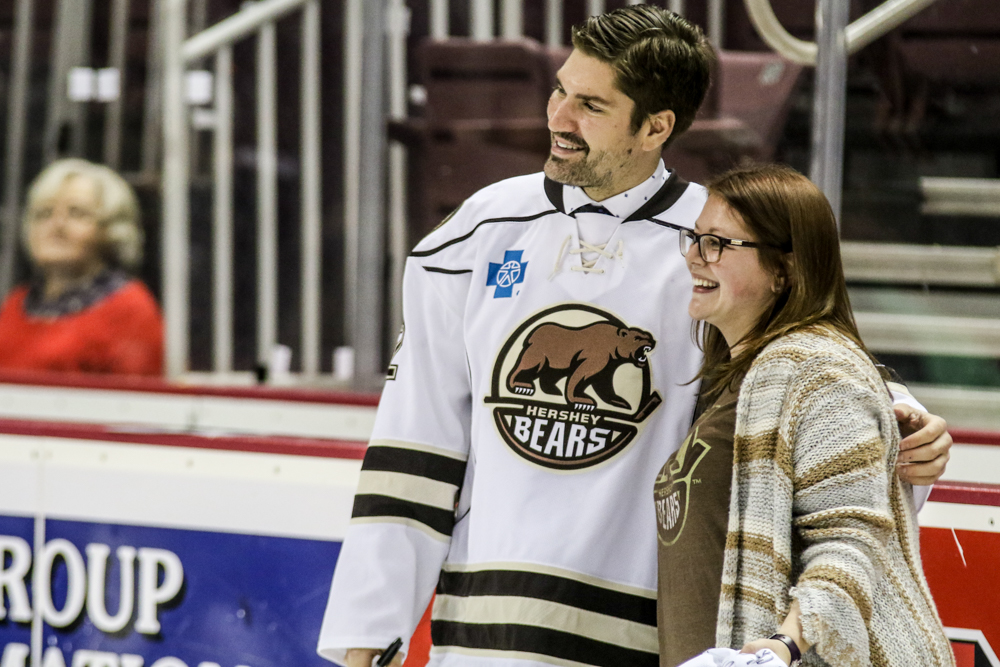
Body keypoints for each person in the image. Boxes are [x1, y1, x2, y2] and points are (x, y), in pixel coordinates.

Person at [318, 6, 951, 667]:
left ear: (656, 127)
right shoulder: (473, 236)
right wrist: (367, 643)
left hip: (648, 634)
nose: (558, 117)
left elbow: (804, 356)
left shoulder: (714, 242)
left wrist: (901, 416)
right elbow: (413, 451)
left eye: (590, 104)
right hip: (482, 639)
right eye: (560, 89)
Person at [657, 163, 952, 667]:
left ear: (784, 270)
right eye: (694, 237)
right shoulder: (737, 377)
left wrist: (784, 645)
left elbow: (850, 542)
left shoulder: (815, 370)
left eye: (719, 244)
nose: (693, 257)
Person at [0, 158, 163, 376]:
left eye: (76, 213)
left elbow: (136, 401)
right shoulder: (16, 303)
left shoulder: (130, 308)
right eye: (44, 214)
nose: (57, 225)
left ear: (110, 229)